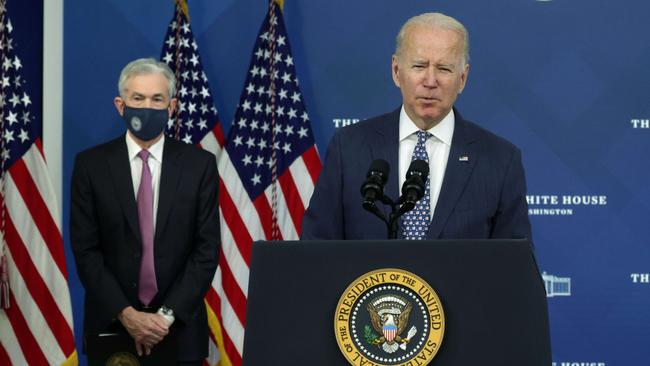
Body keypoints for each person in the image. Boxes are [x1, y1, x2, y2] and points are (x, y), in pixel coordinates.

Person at [301, 13, 531, 241]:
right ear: (396, 71)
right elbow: (316, 251)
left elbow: (514, 268)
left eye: (444, 69)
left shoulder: (500, 160)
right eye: (419, 66)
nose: (430, 81)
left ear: (462, 78)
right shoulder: (349, 148)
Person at [70, 58, 220, 365]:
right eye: (137, 98)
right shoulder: (91, 166)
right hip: (113, 327)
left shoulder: (199, 165)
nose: (146, 107)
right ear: (120, 104)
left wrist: (164, 318)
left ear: (172, 106)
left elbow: (206, 251)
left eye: (157, 99)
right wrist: (128, 315)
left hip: (179, 331)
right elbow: (86, 251)